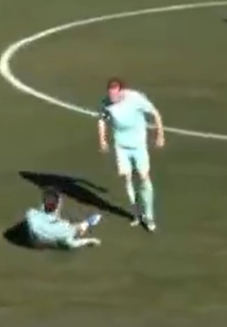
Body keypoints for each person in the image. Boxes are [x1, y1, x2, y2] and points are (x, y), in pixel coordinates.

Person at [97, 77, 165, 231]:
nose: (112, 98)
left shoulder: (135, 98)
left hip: (138, 146)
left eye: (115, 95)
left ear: (122, 91)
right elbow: (102, 120)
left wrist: (160, 135)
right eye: (110, 95)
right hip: (121, 146)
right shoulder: (106, 103)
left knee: (143, 176)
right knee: (126, 177)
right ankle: (135, 213)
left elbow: (155, 113)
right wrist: (102, 140)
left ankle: (149, 216)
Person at [24, 188, 103, 249]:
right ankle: (90, 222)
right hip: (52, 242)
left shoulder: (30, 213)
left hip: (37, 240)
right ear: (58, 206)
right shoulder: (64, 228)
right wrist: (91, 241)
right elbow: (72, 244)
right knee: (81, 227)